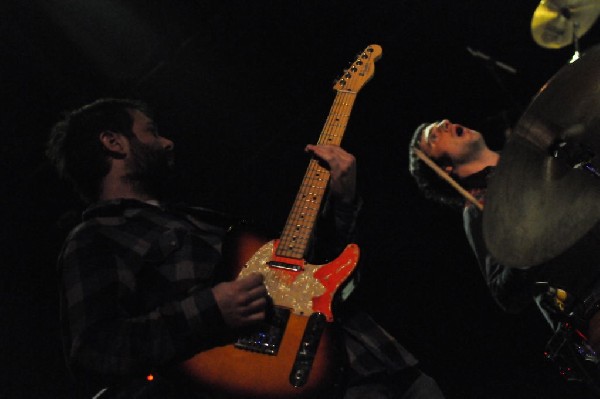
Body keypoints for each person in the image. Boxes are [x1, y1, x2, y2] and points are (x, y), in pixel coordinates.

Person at [47, 98, 445, 398]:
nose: (167, 142)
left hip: (379, 360)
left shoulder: (199, 218)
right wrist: (210, 310)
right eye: (151, 132)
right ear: (114, 142)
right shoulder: (97, 235)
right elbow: (92, 351)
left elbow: (318, 276)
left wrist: (342, 202)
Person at [408, 119, 600, 393]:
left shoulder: (535, 159)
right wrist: (524, 248)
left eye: (440, 124)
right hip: (592, 300)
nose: (445, 123)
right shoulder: (478, 209)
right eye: (434, 137)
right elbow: (504, 293)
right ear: (445, 168)